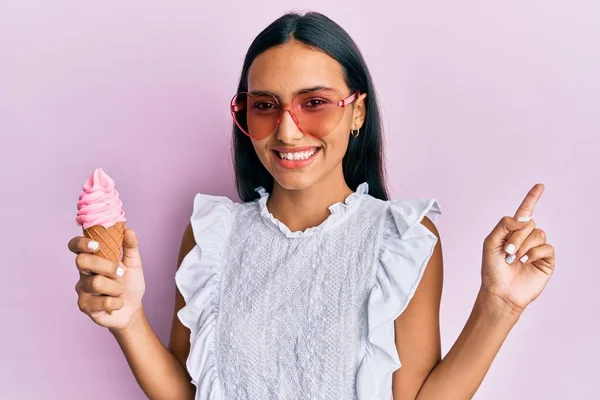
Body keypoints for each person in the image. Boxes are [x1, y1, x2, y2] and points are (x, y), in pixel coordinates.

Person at [67, 11, 556, 400]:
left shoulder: (401, 238)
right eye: (264, 105)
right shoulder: (212, 235)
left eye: (314, 102)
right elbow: (186, 393)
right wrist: (127, 319)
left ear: (357, 110)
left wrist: (500, 305)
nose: (287, 129)